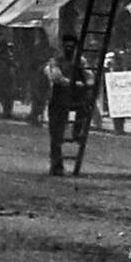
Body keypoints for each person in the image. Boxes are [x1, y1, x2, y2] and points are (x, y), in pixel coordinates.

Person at [45, 32, 88, 176]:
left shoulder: (80, 61)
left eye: (72, 47)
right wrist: (76, 84)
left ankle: (77, 131)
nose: (69, 49)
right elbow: (57, 78)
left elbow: (88, 76)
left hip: (73, 98)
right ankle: (56, 165)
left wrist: (84, 83)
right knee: (56, 134)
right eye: (67, 46)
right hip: (57, 99)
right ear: (63, 47)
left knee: (85, 107)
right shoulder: (55, 62)